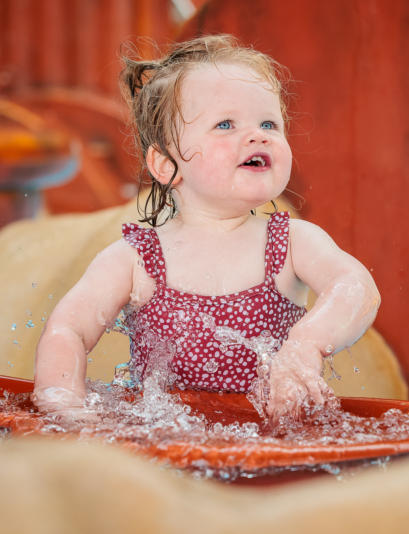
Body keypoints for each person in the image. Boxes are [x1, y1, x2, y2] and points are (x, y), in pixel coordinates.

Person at [32, 35, 380, 424]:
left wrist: (305, 345)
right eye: (225, 124)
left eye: (269, 123)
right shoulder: (136, 258)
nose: (258, 135)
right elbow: (68, 330)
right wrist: (64, 407)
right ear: (165, 165)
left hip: (270, 445)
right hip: (164, 446)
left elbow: (357, 287)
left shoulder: (291, 243)